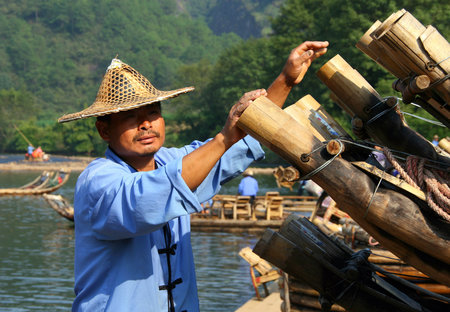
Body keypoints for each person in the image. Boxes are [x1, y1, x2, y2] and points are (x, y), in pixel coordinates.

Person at [58, 40, 328, 312]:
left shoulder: (171, 161)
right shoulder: (98, 179)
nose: (146, 124)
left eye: (153, 112)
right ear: (104, 131)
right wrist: (223, 138)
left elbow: (241, 142)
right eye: (130, 117)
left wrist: (285, 80)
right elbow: (143, 199)